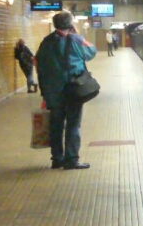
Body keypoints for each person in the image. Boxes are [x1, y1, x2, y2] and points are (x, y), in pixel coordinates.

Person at [36, 11, 97, 170]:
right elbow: (91, 51)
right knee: (73, 124)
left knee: (56, 125)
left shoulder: (46, 42)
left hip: (53, 91)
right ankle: (71, 159)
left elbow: (39, 65)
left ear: (54, 24)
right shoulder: (76, 39)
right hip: (73, 90)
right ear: (70, 24)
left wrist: (44, 92)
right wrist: (77, 36)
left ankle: (57, 159)